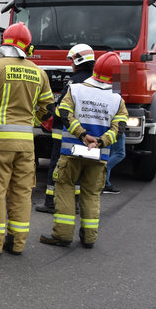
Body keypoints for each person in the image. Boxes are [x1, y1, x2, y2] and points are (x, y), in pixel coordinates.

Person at [0, 22, 54, 256]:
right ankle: (16, 243)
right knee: (22, 192)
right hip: (26, 144)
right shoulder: (39, 72)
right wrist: (31, 119)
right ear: (28, 46)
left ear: (5, 42)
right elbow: (48, 110)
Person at [40, 52, 128, 249]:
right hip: (98, 155)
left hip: (71, 151)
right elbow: (119, 129)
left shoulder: (76, 89)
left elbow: (63, 113)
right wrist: (100, 141)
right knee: (91, 195)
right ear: (116, 75)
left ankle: (62, 236)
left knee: (64, 189)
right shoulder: (117, 99)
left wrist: (82, 134)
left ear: (95, 69)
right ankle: (89, 238)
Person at [36, 44, 94, 213]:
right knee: (78, 168)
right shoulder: (96, 81)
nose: (70, 64)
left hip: (64, 132)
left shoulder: (73, 81)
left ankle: (50, 202)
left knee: (56, 165)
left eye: (72, 60)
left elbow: (62, 106)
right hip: (84, 134)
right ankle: (75, 202)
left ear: (78, 61)